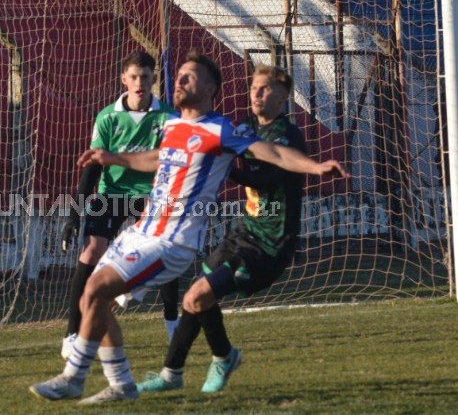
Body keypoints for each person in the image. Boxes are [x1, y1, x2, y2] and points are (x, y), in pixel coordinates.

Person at [29, 52, 348, 405]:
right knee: (92, 295)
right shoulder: (171, 126)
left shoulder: (221, 130)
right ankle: (121, 385)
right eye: (179, 75)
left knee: (102, 289)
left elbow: (272, 153)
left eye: (189, 77)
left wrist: (316, 167)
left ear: (211, 88)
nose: (179, 81)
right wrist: (114, 158)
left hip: (171, 241)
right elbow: (156, 158)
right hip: (142, 230)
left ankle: (75, 377)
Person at [136, 63, 310, 395]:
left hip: (271, 244)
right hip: (243, 234)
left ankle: (224, 357)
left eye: (266, 89)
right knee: (194, 297)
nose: (256, 94)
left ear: (284, 97)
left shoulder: (286, 135)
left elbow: (267, 177)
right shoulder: (243, 127)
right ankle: (171, 373)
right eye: (253, 88)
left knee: (199, 295)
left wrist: (218, 166)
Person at [59, 51, 180, 359]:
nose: (139, 82)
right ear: (123, 79)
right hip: (111, 193)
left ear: (154, 79)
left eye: (145, 76)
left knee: (164, 250)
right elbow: (93, 168)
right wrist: (74, 215)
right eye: (134, 76)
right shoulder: (108, 117)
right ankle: (72, 333)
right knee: (90, 251)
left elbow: (171, 166)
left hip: (151, 194)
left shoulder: (168, 118)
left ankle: (171, 321)